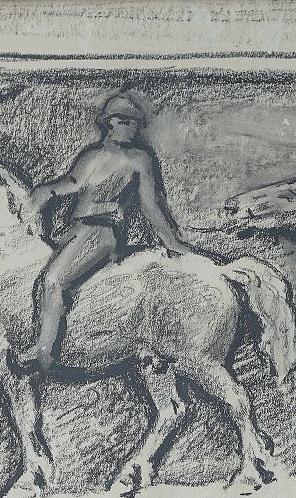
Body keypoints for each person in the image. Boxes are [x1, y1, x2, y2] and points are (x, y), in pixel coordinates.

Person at [19, 92, 197, 373]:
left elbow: (150, 206)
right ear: (110, 123)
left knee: (54, 280)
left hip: (102, 232)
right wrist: (44, 191)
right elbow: (71, 183)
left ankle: (44, 353)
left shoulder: (139, 160)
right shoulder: (91, 155)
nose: (131, 127)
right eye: (124, 121)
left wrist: (172, 242)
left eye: (134, 122)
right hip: (77, 231)